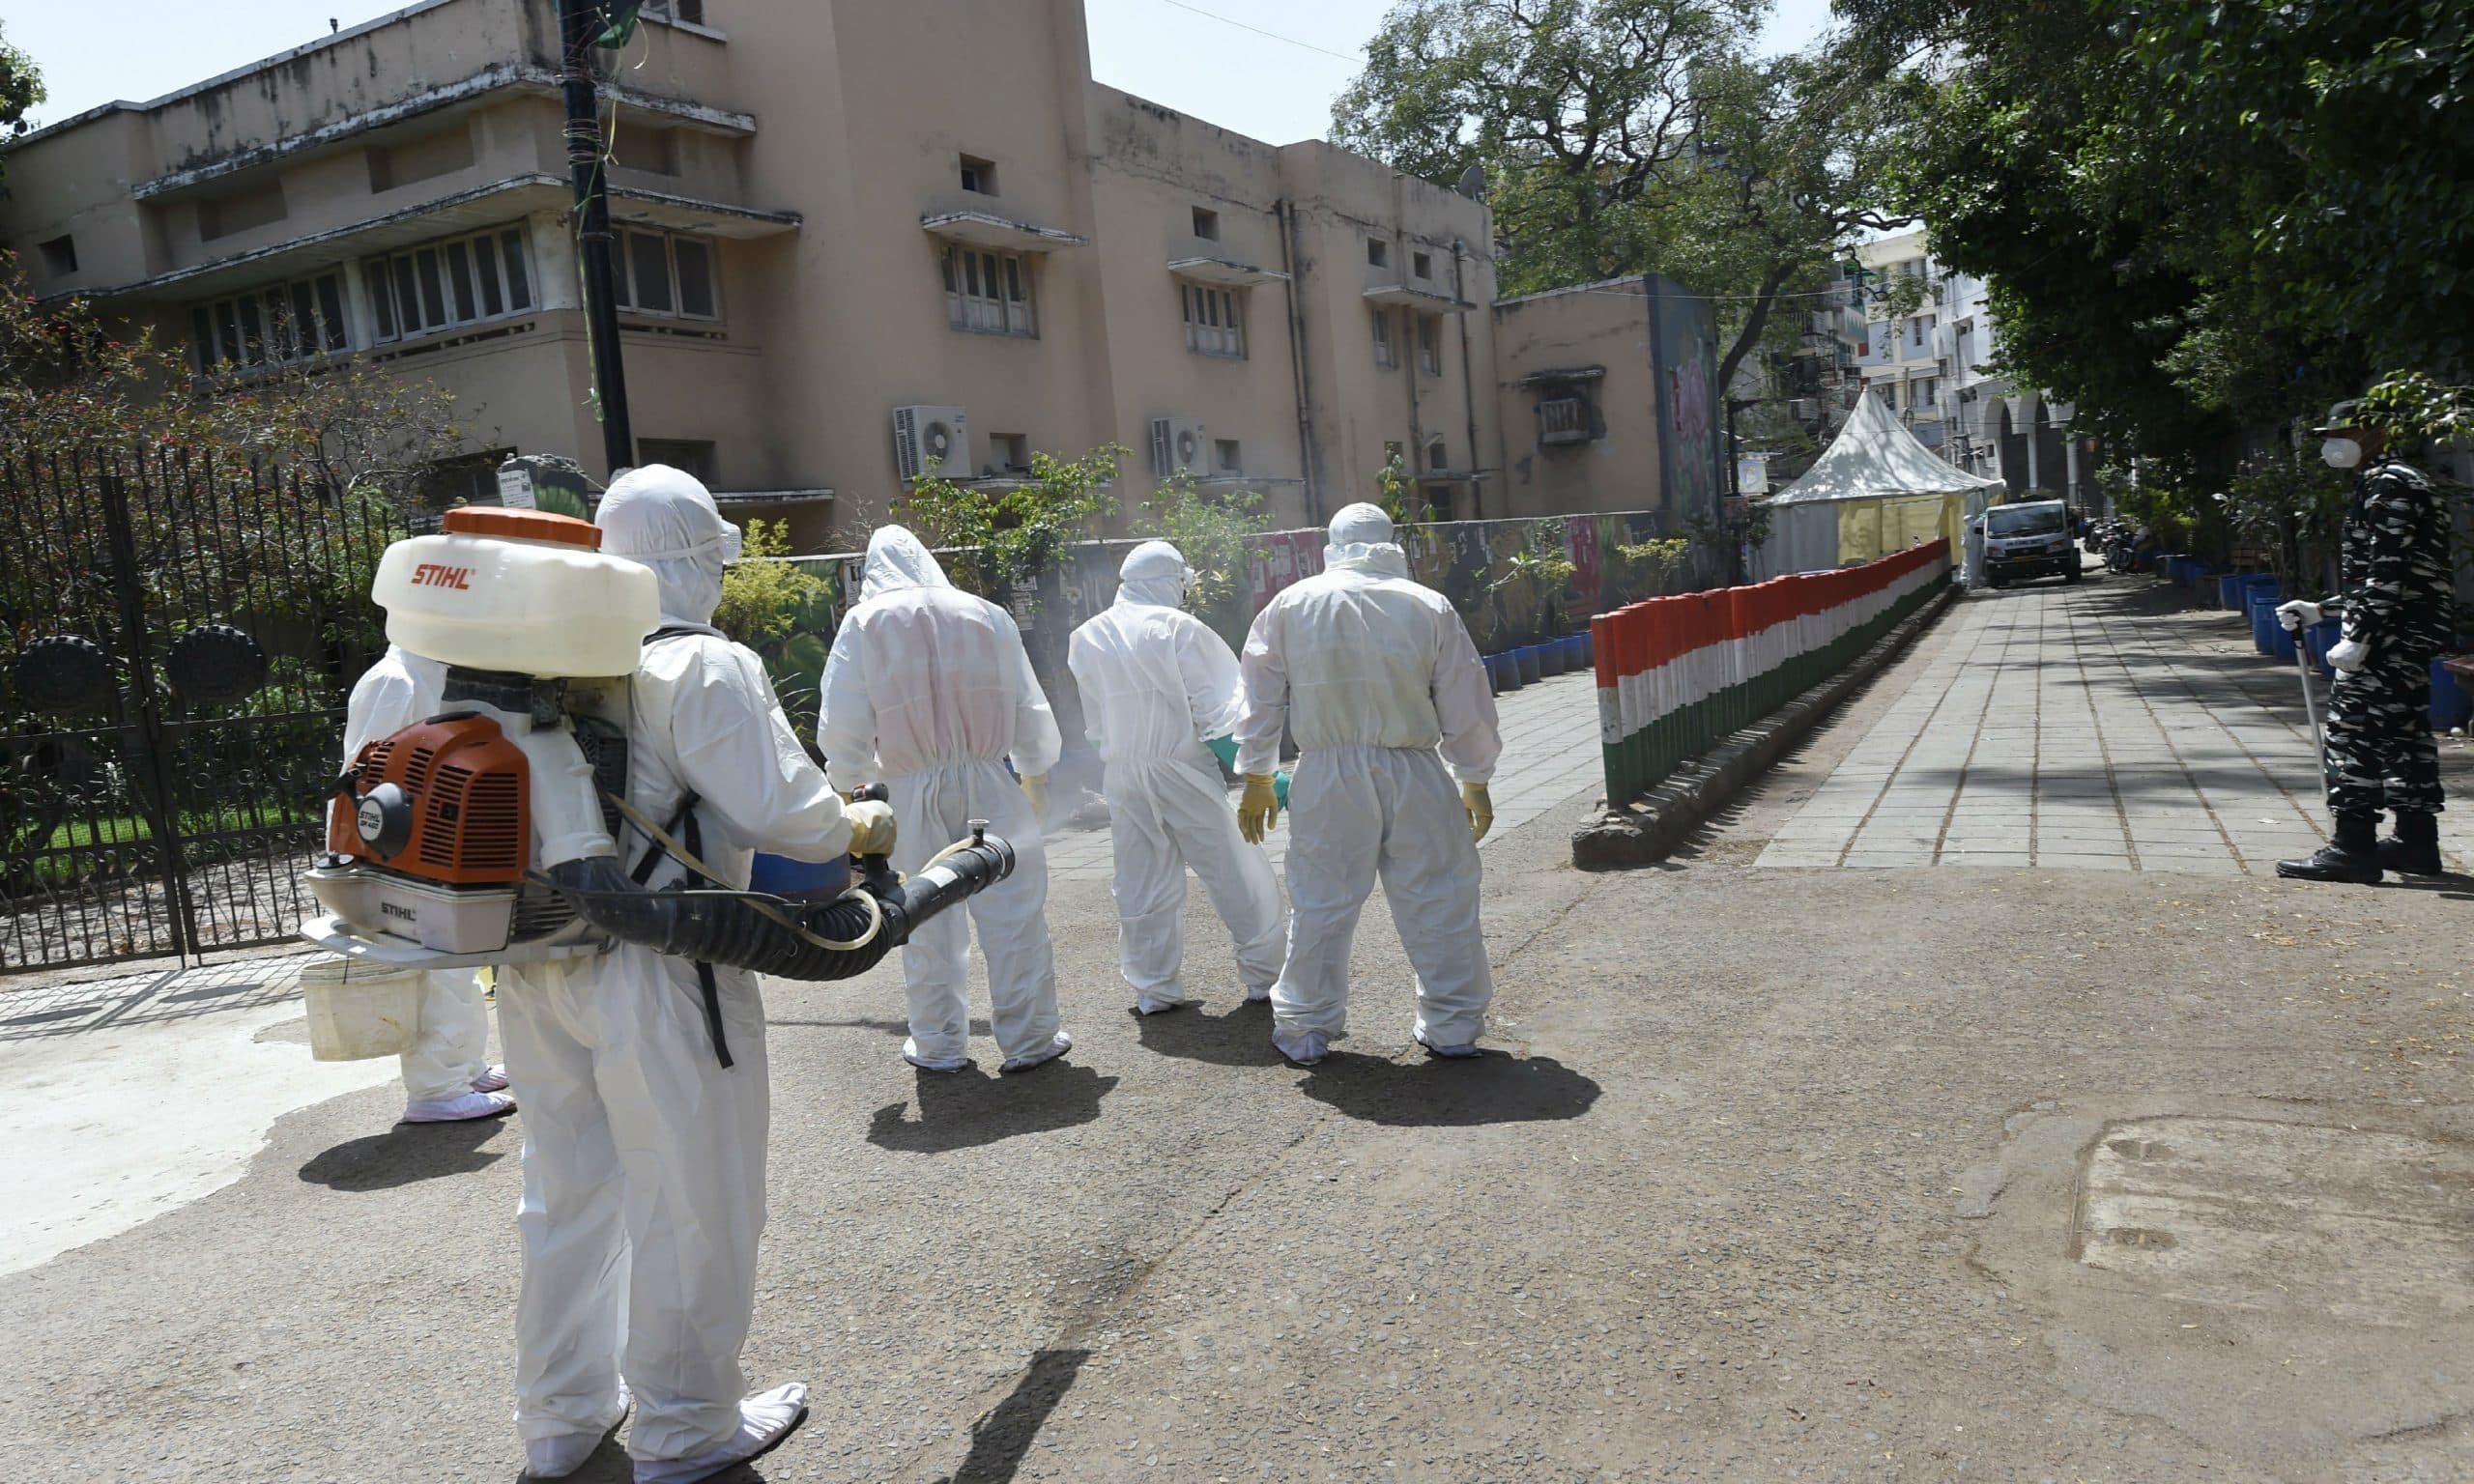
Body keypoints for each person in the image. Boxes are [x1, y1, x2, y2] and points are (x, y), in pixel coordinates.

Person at [498, 466, 892, 1483]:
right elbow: (789, 817)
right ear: (693, 557)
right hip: (660, 966)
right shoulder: (698, 664)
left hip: (533, 959)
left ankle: (561, 1419)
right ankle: (686, 1428)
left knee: (566, 1194)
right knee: (693, 1194)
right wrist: (846, 823)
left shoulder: (527, 649)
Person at [1234, 502, 1502, 1067]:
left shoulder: (1291, 603)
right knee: (1441, 896)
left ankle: (1305, 1026)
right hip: (1415, 769)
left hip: (1327, 771)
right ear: (1391, 543)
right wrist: (1473, 776)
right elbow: (1465, 700)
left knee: (1321, 902)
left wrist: (1258, 770)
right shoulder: (1427, 605)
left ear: (1329, 546)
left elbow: (1260, 697)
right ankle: (1453, 1026)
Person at [820, 526, 1072, 1074]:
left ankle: (938, 1045)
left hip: (908, 790)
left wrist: (848, 785)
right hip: (990, 780)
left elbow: (843, 720)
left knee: (922, 919)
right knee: (1016, 914)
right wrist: (1035, 773)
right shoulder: (985, 614)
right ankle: (1031, 1039)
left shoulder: (864, 623)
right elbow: (1029, 702)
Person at [1068, 540, 1286, 1014]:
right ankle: (1266, 978)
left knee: (1142, 880)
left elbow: (1097, 721)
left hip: (1123, 773)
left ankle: (1155, 987)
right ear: (1169, 581)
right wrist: (1259, 775)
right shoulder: (1178, 628)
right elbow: (1220, 713)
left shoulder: (1087, 635)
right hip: (1180, 768)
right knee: (1235, 870)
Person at [2276, 401, 2455, 883]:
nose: (2334, 441)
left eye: (2345, 431)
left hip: (2389, 638)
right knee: (2406, 740)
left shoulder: (2389, 484)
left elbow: (2388, 572)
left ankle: (2352, 847)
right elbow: (2385, 576)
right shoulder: (2394, 479)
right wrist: (2324, 610)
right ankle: (2417, 845)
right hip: (2406, 633)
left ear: (2375, 433)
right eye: (2330, 432)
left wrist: (2358, 636)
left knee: (2352, 734)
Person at [337, 645, 515, 1125]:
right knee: (432, 971)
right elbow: (366, 772)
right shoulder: (397, 680)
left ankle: (464, 1068)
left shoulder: (427, 673)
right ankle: (437, 1090)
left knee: (457, 966)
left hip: (428, 842)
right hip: (402, 848)